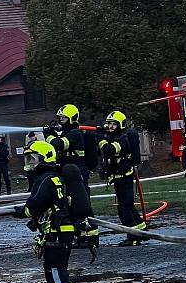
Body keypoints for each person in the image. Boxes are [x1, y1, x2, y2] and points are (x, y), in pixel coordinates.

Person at [13, 140, 77, 283]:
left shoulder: (44, 179)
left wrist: (21, 212)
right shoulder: (55, 178)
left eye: (33, 159)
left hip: (56, 232)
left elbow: (34, 205)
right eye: (28, 159)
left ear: (44, 159)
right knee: (54, 269)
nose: (29, 163)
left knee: (56, 270)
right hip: (61, 230)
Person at [97, 110, 146, 247]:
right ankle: (142, 230)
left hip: (123, 177)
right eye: (109, 124)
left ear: (121, 125)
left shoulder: (123, 139)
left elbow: (109, 149)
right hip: (120, 176)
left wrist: (100, 138)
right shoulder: (116, 136)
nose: (110, 127)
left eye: (114, 124)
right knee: (128, 205)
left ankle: (133, 237)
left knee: (124, 208)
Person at [43, 104, 89, 188]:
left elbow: (59, 144)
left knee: (78, 198)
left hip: (76, 170)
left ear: (71, 118)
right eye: (60, 117)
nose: (60, 120)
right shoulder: (67, 132)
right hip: (67, 169)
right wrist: (53, 134)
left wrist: (48, 135)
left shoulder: (75, 133)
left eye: (63, 117)